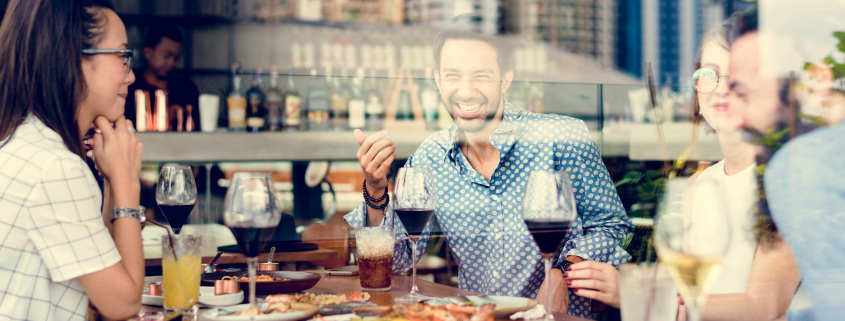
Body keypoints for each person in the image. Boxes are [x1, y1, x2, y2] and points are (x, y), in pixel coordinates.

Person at [345, 16, 633, 318]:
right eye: (453, 75)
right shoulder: (430, 156)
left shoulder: (561, 138)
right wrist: (376, 188)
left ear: (505, 78)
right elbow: (399, 259)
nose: (466, 90)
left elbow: (613, 226)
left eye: (480, 76)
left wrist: (563, 272)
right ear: (438, 80)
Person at [566, 13, 802, 320]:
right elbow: (683, 297)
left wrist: (632, 293)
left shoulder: (791, 182)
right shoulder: (697, 186)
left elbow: (765, 306)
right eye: (709, 73)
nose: (721, 87)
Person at [0, 0, 145, 320]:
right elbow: (122, 304)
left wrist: (110, 178)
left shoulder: (25, 142)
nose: (130, 76)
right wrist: (125, 182)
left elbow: (99, 283)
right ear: (76, 60)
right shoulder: (56, 169)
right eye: (122, 56)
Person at [124, 22, 200, 132]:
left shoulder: (187, 89)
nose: (172, 62)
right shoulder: (129, 86)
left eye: (177, 57)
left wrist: (182, 117)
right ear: (148, 52)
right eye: (167, 56)